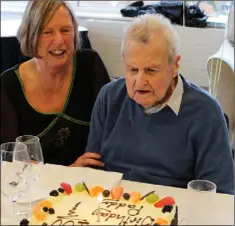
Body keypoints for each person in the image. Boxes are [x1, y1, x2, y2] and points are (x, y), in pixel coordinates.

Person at [74, 14, 234, 194]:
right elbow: (93, 169)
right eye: (133, 70)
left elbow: (219, 193)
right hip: (114, 207)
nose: (140, 81)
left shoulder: (206, 112)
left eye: (151, 70)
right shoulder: (109, 97)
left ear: (174, 66)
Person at [0, 0, 110, 166]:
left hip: (90, 181)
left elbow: (110, 131)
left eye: (65, 30)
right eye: (47, 32)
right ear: (32, 35)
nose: (59, 41)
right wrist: (69, 171)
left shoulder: (90, 65)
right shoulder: (9, 85)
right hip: (38, 185)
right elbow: (10, 159)